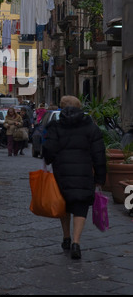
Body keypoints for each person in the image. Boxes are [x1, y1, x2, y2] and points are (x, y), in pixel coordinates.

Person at [42, 95, 106, 260]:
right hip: (84, 173)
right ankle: (76, 242)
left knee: (65, 203)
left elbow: (48, 150)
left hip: (61, 172)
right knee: (80, 205)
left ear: (62, 108)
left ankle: (66, 237)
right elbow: (99, 155)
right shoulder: (91, 127)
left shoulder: (55, 127)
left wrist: (49, 160)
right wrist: (100, 177)